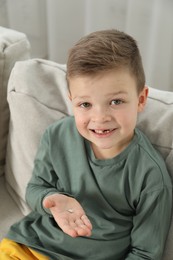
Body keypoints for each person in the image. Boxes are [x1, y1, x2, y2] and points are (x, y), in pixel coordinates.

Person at [0, 29, 172, 260]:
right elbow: (35, 188)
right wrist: (51, 200)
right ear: (71, 101)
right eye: (85, 104)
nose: (100, 117)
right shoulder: (57, 135)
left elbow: (145, 253)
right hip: (31, 246)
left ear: (141, 99)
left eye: (116, 101)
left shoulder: (150, 176)